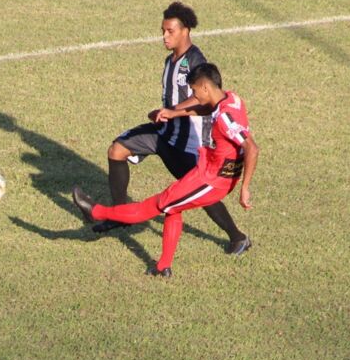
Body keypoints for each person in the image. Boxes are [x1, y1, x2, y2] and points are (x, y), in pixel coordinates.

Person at [74, 63, 259, 277]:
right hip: (210, 171)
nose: (193, 95)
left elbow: (251, 148)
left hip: (212, 179)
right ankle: (163, 267)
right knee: (173, 207)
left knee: (155, 205)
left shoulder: (225, 117)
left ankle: (96, 211)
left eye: (195, 90)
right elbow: (206, 108)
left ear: (206, 87)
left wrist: (245, 188)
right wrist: (173, 113)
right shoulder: (230, 98)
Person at [96, 2, 251, 256]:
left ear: (185, 31)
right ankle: (119, 214)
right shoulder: (171, 61)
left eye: (170, 31)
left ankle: (237, 237)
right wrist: (163, 111)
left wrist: (175, 110)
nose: (164, 36)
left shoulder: (196, 60)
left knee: (201, 194)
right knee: (117, 150)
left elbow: (203, 97)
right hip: (164, 132)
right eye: (163, 31)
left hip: (187, 142)